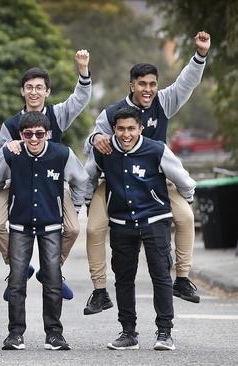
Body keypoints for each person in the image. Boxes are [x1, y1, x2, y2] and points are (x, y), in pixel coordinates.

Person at [83, 31, 211, 315]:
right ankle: (99, 291)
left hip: (157, 180)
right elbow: (89, 145)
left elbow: (186, 82)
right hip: (115, 180)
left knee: (186, 216)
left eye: (153, 84)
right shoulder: (112, 113)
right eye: (142, 84)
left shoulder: (163, 102)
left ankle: (182, 278)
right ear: (132, 85)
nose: (148, 89)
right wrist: (94, 139)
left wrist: (200, 55)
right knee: (93, 228)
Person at [85, 107, 196, 351]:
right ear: (114, 129)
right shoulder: (104, 149)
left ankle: (165, 332)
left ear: (140, 129)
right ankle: (128, 333)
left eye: (131, 129)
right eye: (121, 129)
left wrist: (186, 197)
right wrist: (85, 200)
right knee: (124, 278)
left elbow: (183, 178)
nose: (126, 134)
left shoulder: (155, 149)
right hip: (121, 222)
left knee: (161, 276)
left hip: (154, 220)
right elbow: (88, 177)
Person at [0, 50, 91, 301]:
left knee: (72, 228)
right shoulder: (11, 124)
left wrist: (83, 69)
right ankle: (18, 267)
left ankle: (51, 270)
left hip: (52, 184)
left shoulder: (57, 115)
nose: (34, 92)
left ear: (47, 92)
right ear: (22, 91)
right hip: (17, 184)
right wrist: (7, 148)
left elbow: (80, 99)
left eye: (39, 87)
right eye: (29, 87)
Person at [0, 112, 88, 351]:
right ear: (21, 135)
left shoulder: (61, 154)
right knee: (16, 280)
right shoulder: (11, 154)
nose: (34, 138)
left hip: (51, 224)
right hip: (20, 224)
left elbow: (81, 180)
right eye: (28, 134)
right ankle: (15, 334)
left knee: (53, 280)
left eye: (40, 134)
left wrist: (73, 207)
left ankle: (54, 333)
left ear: (48, 134)